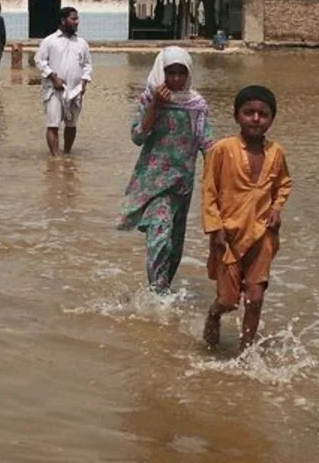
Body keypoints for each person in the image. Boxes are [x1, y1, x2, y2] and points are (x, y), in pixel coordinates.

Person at [117, 46, 215, 294]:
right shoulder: (150, 99)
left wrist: (219, 177)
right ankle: (156, 292)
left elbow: (207, 143)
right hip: (154, 182)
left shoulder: (196, 106)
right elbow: (138, 136)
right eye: (170, 73)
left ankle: (162, 291)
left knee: (174, 243)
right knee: (159, 233)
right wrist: (156, 106)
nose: (176, 79)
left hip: (182, 184)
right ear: (161, 73)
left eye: (181, 74)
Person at [201, 85, 293, 351]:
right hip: (228, 236)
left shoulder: (277, 153)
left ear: (271, 119)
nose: (255, 119)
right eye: (248, 112)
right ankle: (215, 313)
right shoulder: (222, 150)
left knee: (255, 296)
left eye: (262, 114)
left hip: (263, 233)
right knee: (229, 299)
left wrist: (276, 208)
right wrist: (215, 228)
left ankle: (246, 350)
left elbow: (285, 183)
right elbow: (209, 191)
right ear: (236, 116)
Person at [34, 7, 92, 156]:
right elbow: (40, 61)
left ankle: (67, 154)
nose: (76, 22)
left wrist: (84, 83)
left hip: (75, 91)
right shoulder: (49, 41)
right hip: (54, 90)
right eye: (73, 19)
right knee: (53, 124)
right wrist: (53, 77)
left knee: (71, 125)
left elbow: (87, 65)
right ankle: (55, 158)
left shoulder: (82, 43)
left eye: (77, 19)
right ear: (63, 20)